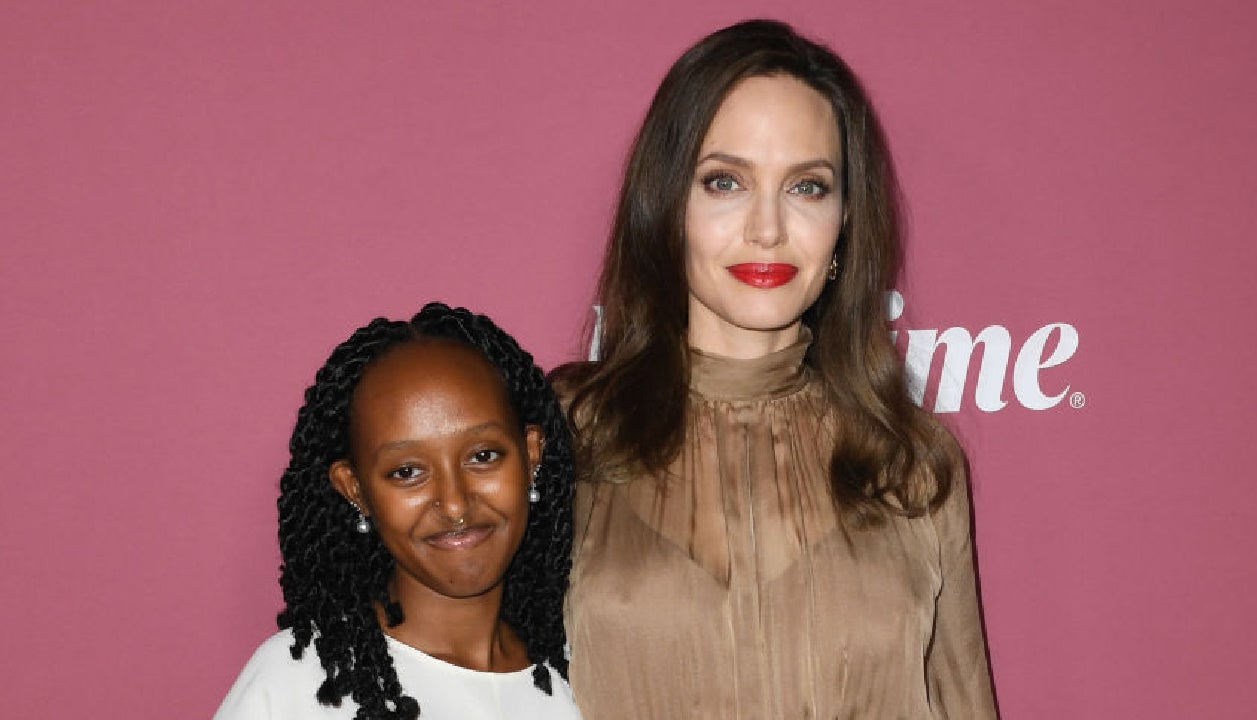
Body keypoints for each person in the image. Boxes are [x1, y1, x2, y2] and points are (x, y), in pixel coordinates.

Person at [553, 19, 998, 719]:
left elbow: (962, 701)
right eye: (725, 181)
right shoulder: (567, 435)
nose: (767, 228)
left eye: (808, 187)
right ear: (667, 207)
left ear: (847, 222)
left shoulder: (911, 462)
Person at [216, 303, 580, 720]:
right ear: (356, 490)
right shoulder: (298, 685)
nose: (455, 503)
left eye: (483, 456)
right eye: (407, 471)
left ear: (532, 455)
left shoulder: (584, 681)